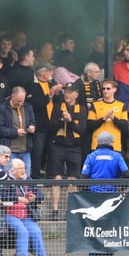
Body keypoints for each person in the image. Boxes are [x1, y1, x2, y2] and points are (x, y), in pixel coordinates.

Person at [80, 132, 129, 256]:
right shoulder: (117, 156)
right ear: (109, 143)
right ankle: (109, 255)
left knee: (94, 226)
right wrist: (121, 188)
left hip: (94, 195)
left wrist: (85, 194)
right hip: (110, 194)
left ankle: (93, 255)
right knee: (109, 226)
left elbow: (83, 178)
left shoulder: (91, 156)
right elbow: (127, 174)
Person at [0, 158, 50, 256]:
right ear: (12, 171)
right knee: (23, 232)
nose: (23, 171)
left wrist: (35, 197)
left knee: (36, 231)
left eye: (24, 168)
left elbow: (40, 195)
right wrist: (18, 198)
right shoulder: (5, 180)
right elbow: (3, 196)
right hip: (9, 214)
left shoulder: (28, 180)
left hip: (26, 214)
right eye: (20, 169)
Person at [47, 82, 87, 218]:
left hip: (74, 147)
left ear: (76, 94)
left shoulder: (81, 109)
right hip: (58, 146)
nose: (67, 95)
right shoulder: (58, 107)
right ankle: (55, 210)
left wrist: (70, 121)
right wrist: (61, 119)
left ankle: (71, 210)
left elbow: (82, 130)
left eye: (70, 92)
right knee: (56, 177)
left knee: (72, 178)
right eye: (66, 92)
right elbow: (51, 126)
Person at [29, 61, 63, 176]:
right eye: (49, 71)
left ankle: (50, 176)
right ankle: (36, 176)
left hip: (52, 124)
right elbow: (34, 104)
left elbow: (59, 101)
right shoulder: (32, 85)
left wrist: (57, 93)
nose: (51, 73)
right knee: (38, 152)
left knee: (52, 151)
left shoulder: (52, 82)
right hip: (39, 125)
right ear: (41, 72)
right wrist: (49, 95)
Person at [0, 86, 36, 176]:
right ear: (12, 96)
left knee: (26, 176)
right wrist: (15, 132)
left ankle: (24, 191)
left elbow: (33, 121)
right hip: (9, 150)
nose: (20, 103)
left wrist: (32, 127)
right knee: (7, 176)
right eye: (18, 101)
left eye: (22, 101)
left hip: (25, 149)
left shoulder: (27, 107)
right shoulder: (3, 108)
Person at [88, 79, 128, 153]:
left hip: (114, 145)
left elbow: (125, 126)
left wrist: (113, 118)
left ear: (114, 89)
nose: (105, 91)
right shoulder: (95, 105)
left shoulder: (121, 105)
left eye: (108, 88)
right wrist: (104, 118)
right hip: (97, 145)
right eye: (103, 89)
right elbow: (90, 125)